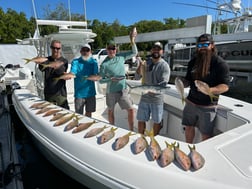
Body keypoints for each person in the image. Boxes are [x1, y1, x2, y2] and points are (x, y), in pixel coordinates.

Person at [180, 33, 230, 143]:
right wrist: (181, 83)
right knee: (188, 127)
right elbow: (188, 80)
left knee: (206, 134)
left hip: (208, 107)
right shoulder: (193, 62)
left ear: (212, 45)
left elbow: (225, 86)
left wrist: (210, 90)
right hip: (191, 102)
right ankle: (189, 147)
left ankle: (200, 156)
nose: (202, 47)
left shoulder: (220, 63)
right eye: (199, 45)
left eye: (205, 44)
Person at [99, 33, 138, 131]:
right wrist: (110, 79)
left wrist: (132, 40)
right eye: (109, 49)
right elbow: (100, 80)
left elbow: (134, 53)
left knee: (131, 109)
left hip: (123, 90)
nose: (112, 51)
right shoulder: (104, 64)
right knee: (111, 111)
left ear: (116, 49)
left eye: (113, 49)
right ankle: (112, 129)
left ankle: (131, 130)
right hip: (111, 91)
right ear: (106, 50)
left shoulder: (121, 57)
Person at [135, 42, 171, 136]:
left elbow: (163, 83)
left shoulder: (164, 65)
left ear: (162, 51)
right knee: (141, 119)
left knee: (157, 121)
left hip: (157, 99)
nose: (156, 51)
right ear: (151, 50)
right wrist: (140, 65)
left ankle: (153, 140)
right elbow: (137, 76)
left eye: (158, 49)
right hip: (145, 97)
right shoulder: (146, 62)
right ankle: (141, 137)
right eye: (154, 49)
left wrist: (150, 89)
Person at [38, 40, 69, 109]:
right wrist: (39, 62)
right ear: (51, 48)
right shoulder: (46, 59)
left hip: (60, 94)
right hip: (48, 93)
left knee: (64, 113)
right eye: (53, 48)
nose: (55, 50)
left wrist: (56, 65)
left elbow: (61, 72)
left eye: (58, 48)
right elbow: (41, 69)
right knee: (50, 114)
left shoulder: (64, 61)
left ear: (60, 49)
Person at [69, 44, 98, 117]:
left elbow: (96, 74)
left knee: (89, 113)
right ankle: (79, 127)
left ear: (90, 51)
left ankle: (86, 127)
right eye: (83, 50)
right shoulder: (75, 62)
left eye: (87, 50)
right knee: (79, 115)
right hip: (79, 94)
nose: (85, 52)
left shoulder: (94, 62)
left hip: (90, 93)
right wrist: (69, 74)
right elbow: (73, 72)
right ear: (81, 51)